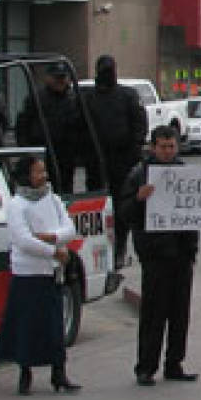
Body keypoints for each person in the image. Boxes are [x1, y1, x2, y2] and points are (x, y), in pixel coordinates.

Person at [120, 125, 201, 386]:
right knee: (154, 313)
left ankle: (174, 363)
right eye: (162, 146)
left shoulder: (186, 172)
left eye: (171, 146)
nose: (167, 151)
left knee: (180, 313)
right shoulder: (140, 175)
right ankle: (145, 367)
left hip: (183, 252)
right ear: (153, 147)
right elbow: (124, 212)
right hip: (155, 255)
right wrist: (138, 199)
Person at [0, 156, 81, 395]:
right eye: (37, 172)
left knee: (55, 325)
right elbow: (23, 240)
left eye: (44, 171)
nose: (43, 176)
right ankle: (25, 374)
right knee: (27, 326)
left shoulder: (52, 199)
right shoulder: (17, 205)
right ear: (26, 176)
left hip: (51, 272)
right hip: (28, 274)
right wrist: (53, 251)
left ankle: (59, 373)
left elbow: (69, 229)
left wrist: (52, 239)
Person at [86, 54, 148, 268]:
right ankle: (99, 250)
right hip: (96, 161)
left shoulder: (128, 95)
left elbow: (139, 124)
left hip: (123, 161)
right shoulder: (89, 97)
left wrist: (134, 152)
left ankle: (119, 249)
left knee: (123, 209)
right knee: (97, 208)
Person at [15, 60, 85, 195]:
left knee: (65, 189)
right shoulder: (37, 98)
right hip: (42, 153)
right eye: (56, 78)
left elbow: (80, 126)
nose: (60, 81)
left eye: (63, 78)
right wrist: (26, 150)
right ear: (48, 78)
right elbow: (23, 125)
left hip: (65, 154)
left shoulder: (74, 99)